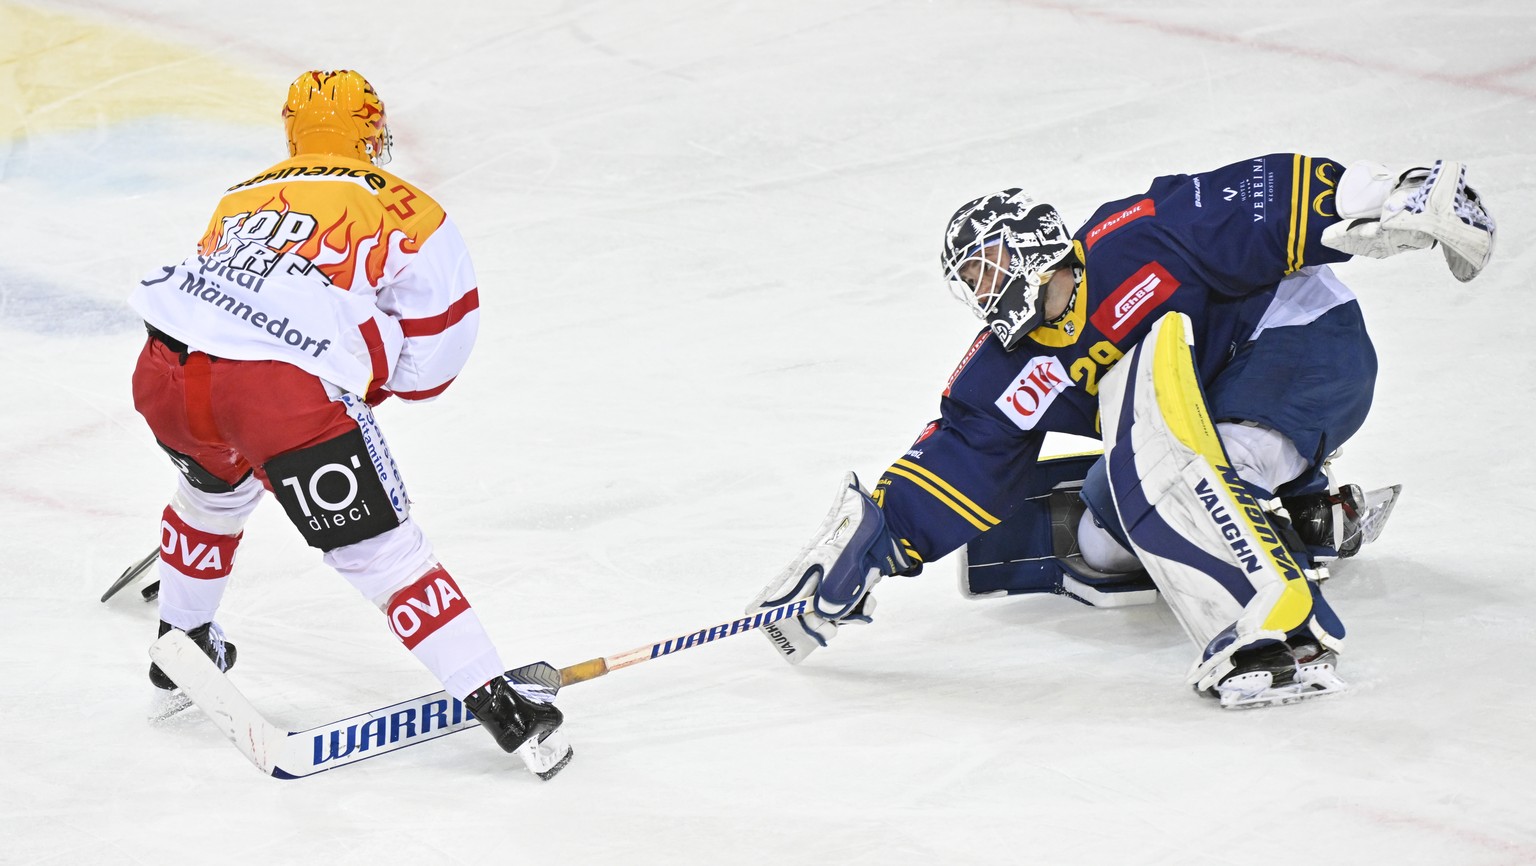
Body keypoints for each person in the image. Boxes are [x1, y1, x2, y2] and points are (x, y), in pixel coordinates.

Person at [747, 154, 1495, 708]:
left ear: (1037, 237)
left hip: (1304, 343)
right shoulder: (1012, 364)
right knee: (1106, 533)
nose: (987, 287)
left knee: (1184, 471)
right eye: (971, 281)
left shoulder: (1134, 240)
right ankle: (1302, 516)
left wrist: (1391, 198)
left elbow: (1263, 201)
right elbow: (965, 451)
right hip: (1206, 405)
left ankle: (1274, 633)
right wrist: (872, 546)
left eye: (992, 262)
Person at [129, 70, 571, 773]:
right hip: (279, 397)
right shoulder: (408, 206)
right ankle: (505, 708)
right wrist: (346, 374)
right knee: (385, 557)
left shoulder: (239, 195)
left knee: (212, 499)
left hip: (164, 375)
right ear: (371, 130)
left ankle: (179, 644)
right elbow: (436, 357)